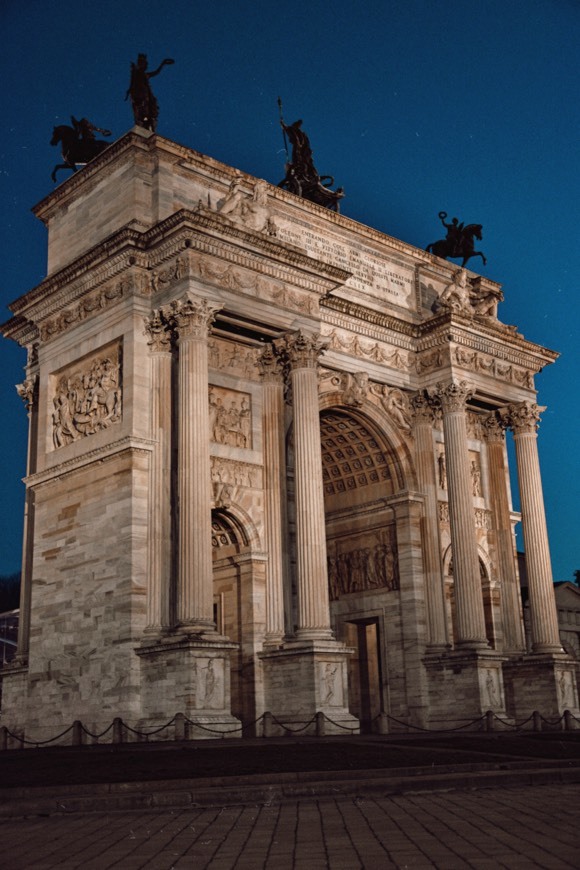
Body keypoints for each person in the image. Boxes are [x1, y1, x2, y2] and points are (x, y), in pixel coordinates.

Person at [125, 54, 174, 132]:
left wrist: (162, 63)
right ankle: (142, 120)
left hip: (145, 93)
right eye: (141, 63)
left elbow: (156, 72)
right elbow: (132, 81)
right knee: (139, 108)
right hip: (138, 93)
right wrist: (129, 91)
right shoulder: (136, 72)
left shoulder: (145, 75)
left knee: (149, 106)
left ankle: (148, 120)